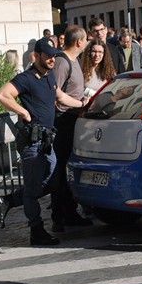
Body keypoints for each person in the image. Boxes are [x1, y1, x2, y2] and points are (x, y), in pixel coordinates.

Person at [0, 37, 87, 246]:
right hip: (33, 141)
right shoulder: (26, 78)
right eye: (48, 56)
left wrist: (81, 104)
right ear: (37, 56)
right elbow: (2, 94)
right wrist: (22, 111)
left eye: (54, 55)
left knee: (53, 183)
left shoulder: (49, 76)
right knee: (34, 188)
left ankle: (7, 201)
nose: (52, 59)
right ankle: (36, 230)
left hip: (47, 140)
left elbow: (60, 97)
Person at [51, 25, 92, 232]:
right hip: (63, 121)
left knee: (67, 169)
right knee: (59, 171)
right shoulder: (62, 61)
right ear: (79, 42)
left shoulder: (74, 61)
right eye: (85, 39)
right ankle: (59, 216)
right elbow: (56, 93)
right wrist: (80, 104)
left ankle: (70, 212)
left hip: (74, 119)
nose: (86, 43)